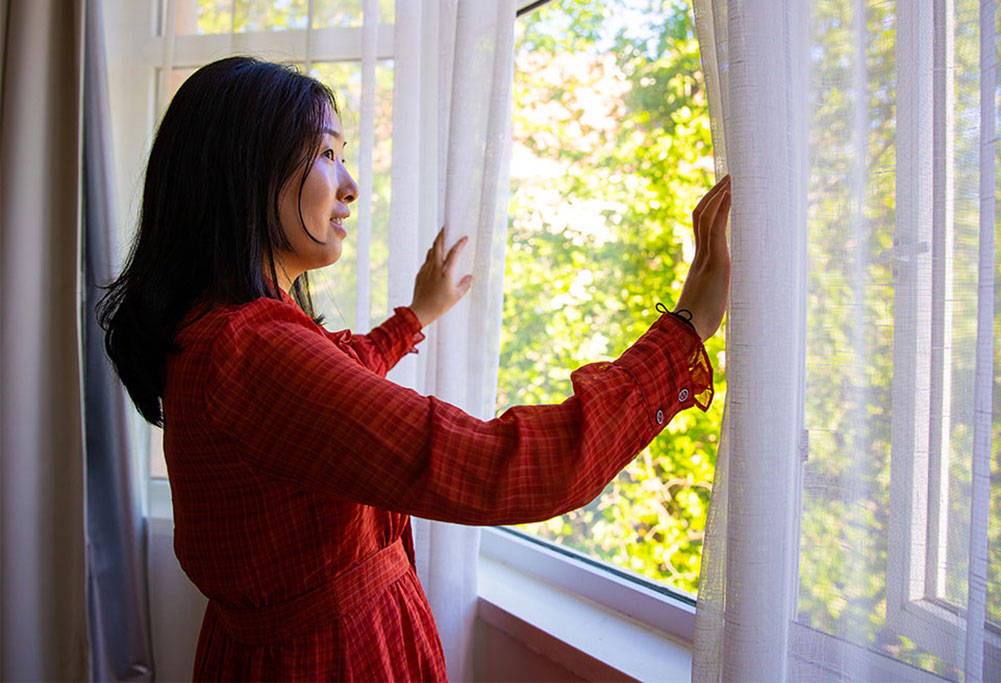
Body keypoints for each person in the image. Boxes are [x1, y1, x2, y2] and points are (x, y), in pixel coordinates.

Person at [100, 56, 731, 682]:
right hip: (334, 663)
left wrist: (415, 316)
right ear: (244, 173)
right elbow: (500, 467)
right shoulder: (253, 349)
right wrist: (685, 334)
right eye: (325, 154)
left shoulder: (220, 330)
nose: (350, 184)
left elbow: (330, 390)